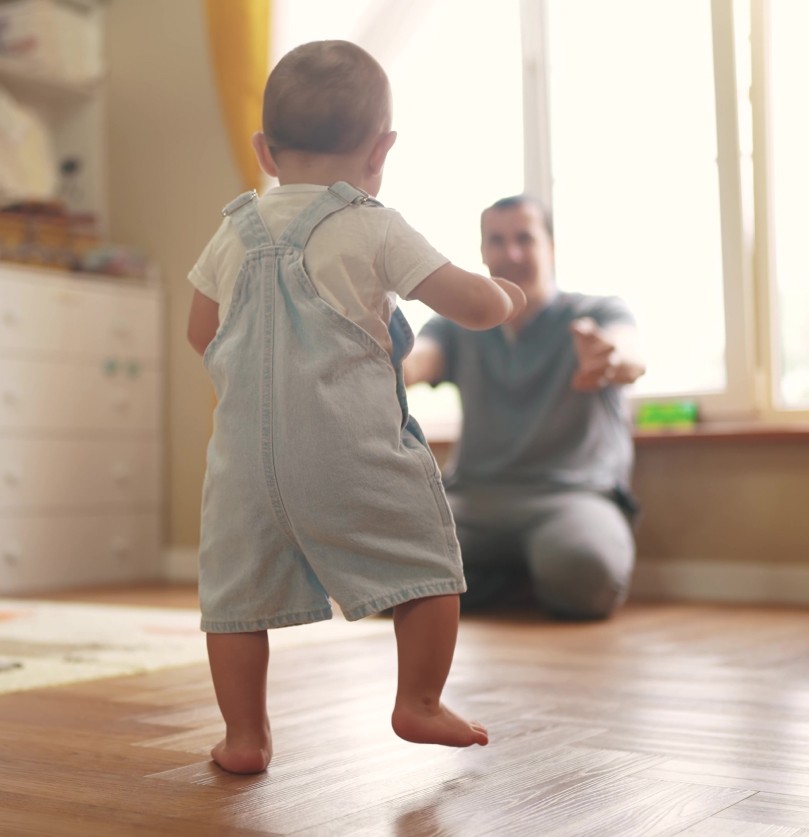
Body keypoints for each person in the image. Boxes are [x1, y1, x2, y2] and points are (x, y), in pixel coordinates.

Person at [186, 40, 526, 774]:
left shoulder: (231, 231)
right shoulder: (372, 223)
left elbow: (199, 332)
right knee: (430, 562)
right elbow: (469, 305)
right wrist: (504, 294)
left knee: (236, 600)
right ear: (382, 148)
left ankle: (244, 736)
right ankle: (420, 701)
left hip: (242, 464)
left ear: (264, 151)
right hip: (348, 451)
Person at [403, 194, 646, 621]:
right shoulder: (456, 326)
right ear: (482, 252)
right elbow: (418, 361)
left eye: (524, 239)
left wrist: (607, 359)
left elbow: (629, 357)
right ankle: (520, 580)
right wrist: (383, 360)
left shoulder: (597, 311)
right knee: (394, 573)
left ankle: (500, 580)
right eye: (496, 241)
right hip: (473, 500)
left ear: (550, 247)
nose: (510, 253)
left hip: (571, 496)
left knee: (586, 577)